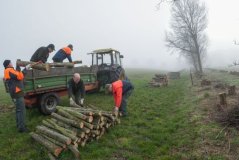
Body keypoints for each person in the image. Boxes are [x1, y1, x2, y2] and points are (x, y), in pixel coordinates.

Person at [3, 60, 31, 133]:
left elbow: (17, 74)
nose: (12, 63)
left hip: (14, 93)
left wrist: (21, 69)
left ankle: (19, 126)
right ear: (8, 64)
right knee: (21, 111)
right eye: (10, 62)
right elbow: (20, 76)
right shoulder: (9, 70)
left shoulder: (7, 71)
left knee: (18, 110)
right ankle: (22, 128)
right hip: (17, 93)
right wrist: (26, 69)